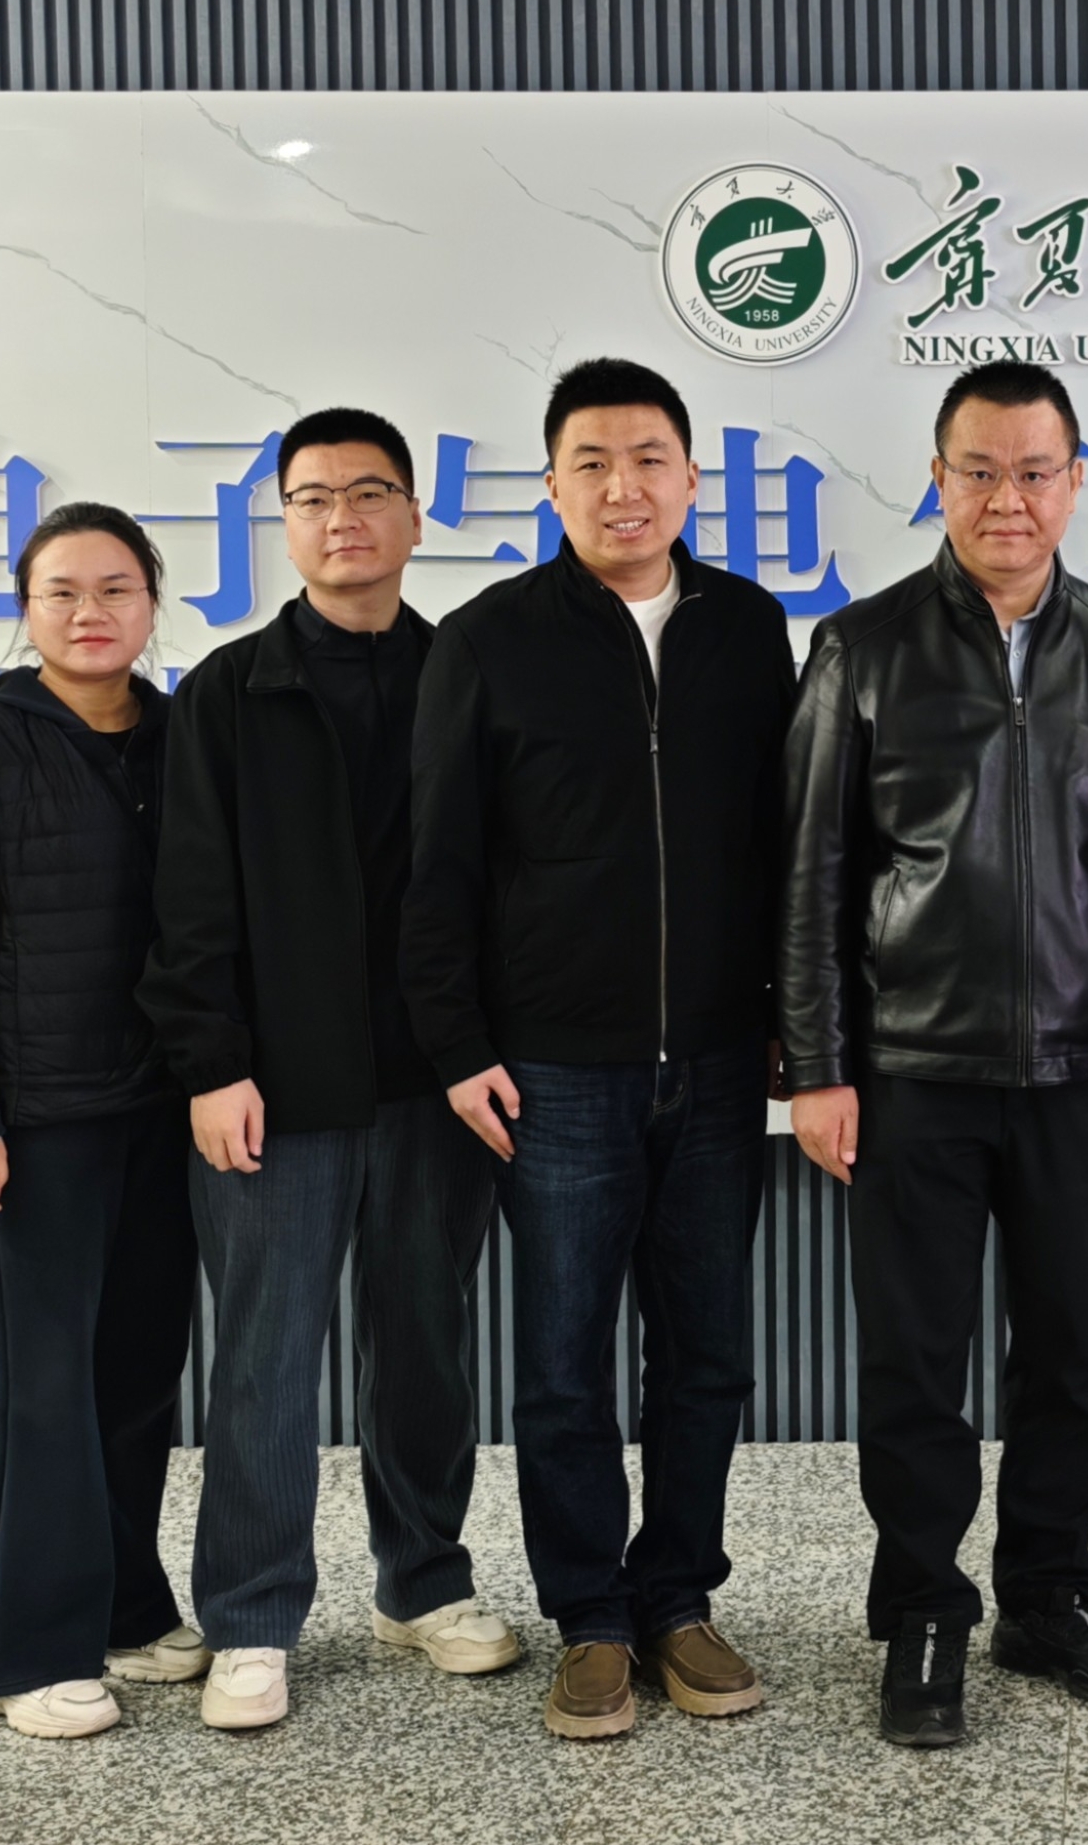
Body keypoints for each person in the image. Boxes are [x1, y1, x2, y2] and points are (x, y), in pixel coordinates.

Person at [777, 359, 1088, 1750]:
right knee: (915, 1361)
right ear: (937, 478)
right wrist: (818, 1064)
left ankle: (1047, 1594)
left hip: (1082, 1065)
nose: (1007, 498)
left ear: (1074, 480)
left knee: (1072, 1354)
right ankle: (922, 1609)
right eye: (979, 470)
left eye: (1034, 471)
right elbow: (812, 875)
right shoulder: (862, 645)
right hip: (912, 1070)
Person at [405, 360, 797, 1739]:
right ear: (552, 482)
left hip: (720, 1059)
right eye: (591, 461)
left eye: (647, 459)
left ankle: (678, 1596)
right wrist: (457, 1043)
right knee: (564, 1360)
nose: (622, 486)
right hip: (555, 1067)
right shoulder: (488, 639)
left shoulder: (749, 627)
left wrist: (793, 1023)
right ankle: (591, 1615)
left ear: (691, 477)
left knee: (706, 1352)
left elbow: (784, 841)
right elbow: (439, 861)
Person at [145, 410, 520, 1735]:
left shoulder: (468, 676)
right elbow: (189, 896)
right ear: (284, 524)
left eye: (370, 492)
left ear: (416, 516)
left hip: (437, 1083)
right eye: (313, 498)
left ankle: (424, 1581)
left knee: (425, 1342)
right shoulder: (227, 692)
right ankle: (251, 1614)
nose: (343, 518)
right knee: (263, 1355)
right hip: (276, 1088)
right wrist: (211, 1062)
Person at [0, 503, 201, 1741]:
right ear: (25, 610)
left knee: (136, 1372)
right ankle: (23, 1648)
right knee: (39, 1387)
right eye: (63, 590)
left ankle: (125, 1603)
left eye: (116, 588)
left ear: (151, 604)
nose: (91, 612)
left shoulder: (181, 737)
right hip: (34, 1117)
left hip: (160, 1107)